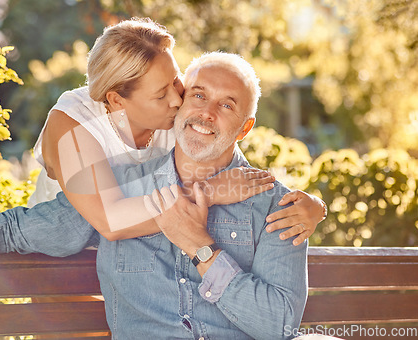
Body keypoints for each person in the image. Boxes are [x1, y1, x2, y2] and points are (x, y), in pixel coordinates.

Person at [0, 52, 308, 339]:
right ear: (179, 103)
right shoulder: (114, 189)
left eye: (227, 105)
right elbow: (10, 231)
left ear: (244, 128)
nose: (207, 113)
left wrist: (204, 251)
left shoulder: (275, 205)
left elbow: (279, 324)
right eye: (199, 96)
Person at [27, 17, 326, 244]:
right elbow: (109, 221)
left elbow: (234, 169)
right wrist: (207, 192)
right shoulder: (73, 120)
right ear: (117, 100)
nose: (176, 98)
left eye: (175, 80)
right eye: (160, 94)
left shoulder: (180, 111)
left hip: (139, 256)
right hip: (65, 253)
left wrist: (314, 207)